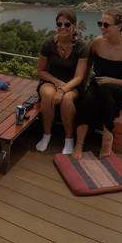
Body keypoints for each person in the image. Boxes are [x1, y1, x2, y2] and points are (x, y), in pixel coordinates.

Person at [72, 8, 122, 160]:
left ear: (118, 26)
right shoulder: (97, 43)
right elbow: (88, 67)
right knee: (87, 99)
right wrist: (82, 87)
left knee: (106, 88)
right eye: (100, 24)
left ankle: (107, 136)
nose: (102, 28)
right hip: (99, 84)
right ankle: (79, 143)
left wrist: (112, 80)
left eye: (106, 25)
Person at [35, 9, 89, 154]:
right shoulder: (48, 43)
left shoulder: (82, 47)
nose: (63, 27)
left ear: (74, 25)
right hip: (51, 80)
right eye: (59, 24)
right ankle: (46, 135)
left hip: (72, 85)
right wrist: (56, 81)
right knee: (47, 94)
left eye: (67, 24)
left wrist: (62, 90)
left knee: (66, 99)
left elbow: (79, 77)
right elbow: (41, 71)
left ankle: (69, 139)